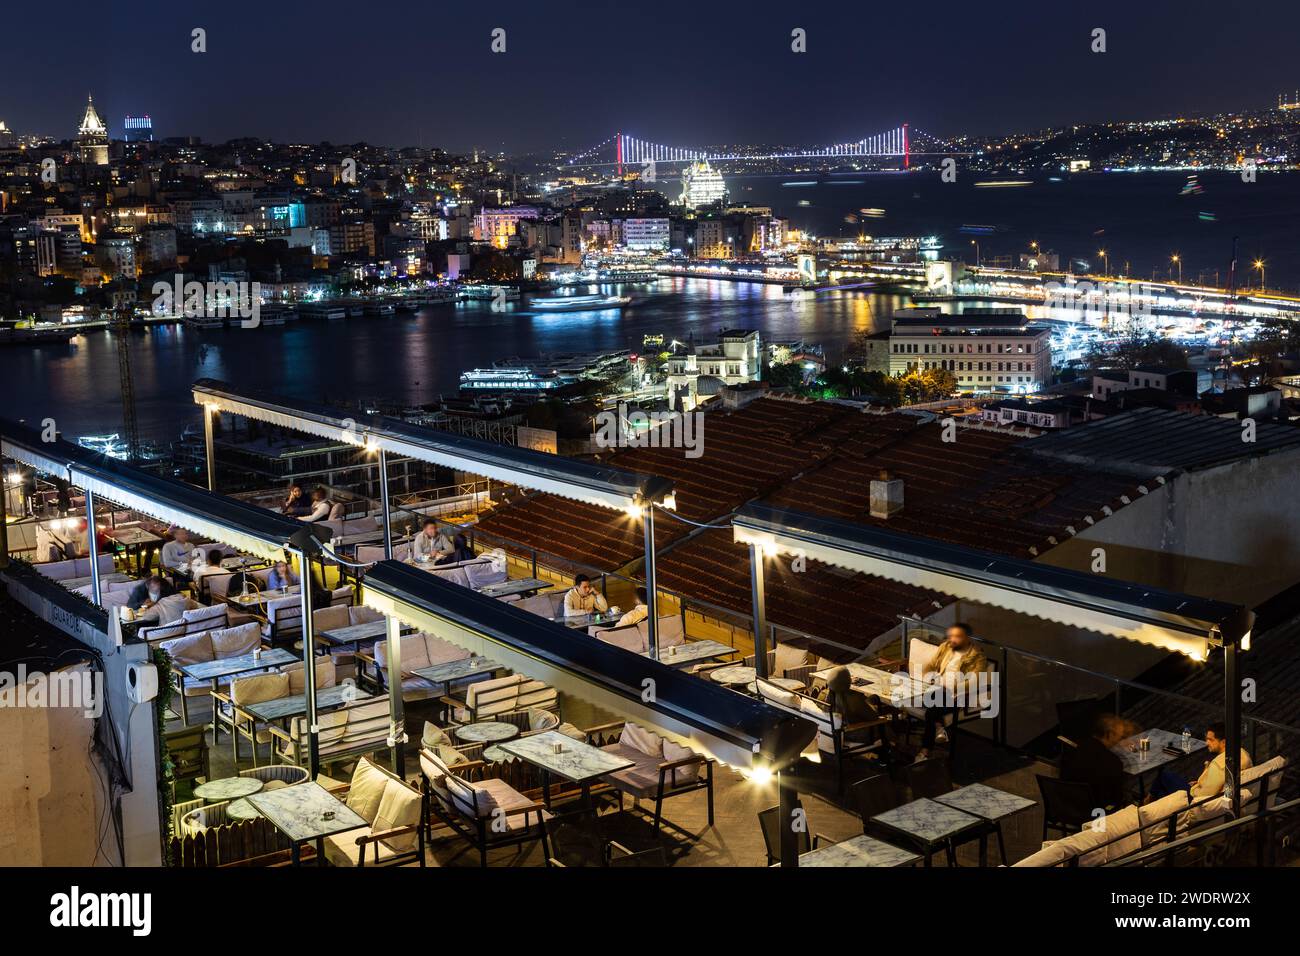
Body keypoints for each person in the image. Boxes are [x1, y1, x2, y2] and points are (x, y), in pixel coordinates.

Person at [912, 622, 988, 762]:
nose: (952, 639)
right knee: (921, 699)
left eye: (957, 636)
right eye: (951, 635)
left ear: (967, 638)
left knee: (931, 712)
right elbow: (932, 664)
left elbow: (975, 681)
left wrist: (954, 688)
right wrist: (927, 675)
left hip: (957, 696)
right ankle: (939, 727)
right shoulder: (946, 647)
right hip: (937, 690)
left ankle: (925, 751)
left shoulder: (977, 656)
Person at [1149, 721, 1254, 802]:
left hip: (1195, 798)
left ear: (1224, 742)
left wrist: (1194, 787)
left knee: (1164, 775)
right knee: (1161, 792)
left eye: (1211, 740)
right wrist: (1199, 783)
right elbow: (1215, 783)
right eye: (1206, 739)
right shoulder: (1242, 753)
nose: (1207, 743)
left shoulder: (1219, 764)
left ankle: (1145, 804)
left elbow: (1205, 793)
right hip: (1205, 791)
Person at [1060, 712, 1132, 810]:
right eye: (1120, 737)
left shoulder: (1073, 749)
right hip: (1095, 811)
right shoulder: (1112, 762)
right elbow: (1116, 796)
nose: (1120, 740)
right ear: (1110, 734)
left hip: (1067, 804)